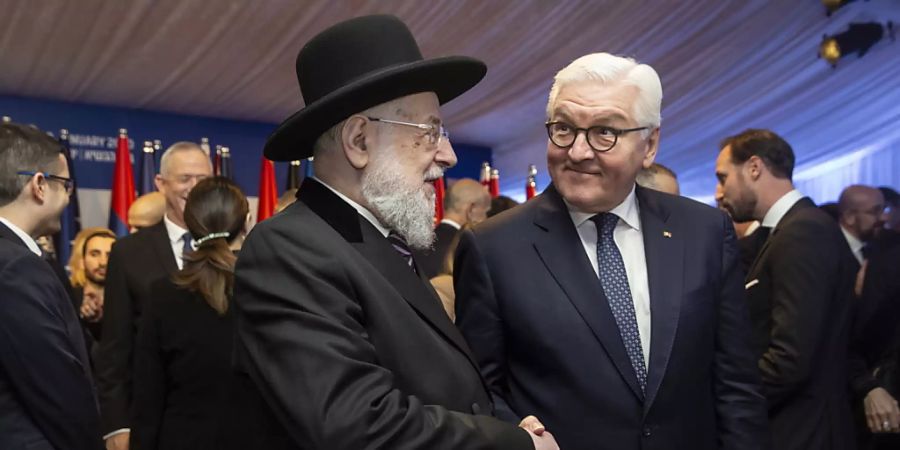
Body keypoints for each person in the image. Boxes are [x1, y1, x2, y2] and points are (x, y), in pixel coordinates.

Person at [227, 15, 555, 450]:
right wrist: (513, 445)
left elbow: (445, 388)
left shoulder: (380, 241)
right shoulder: (289, 250)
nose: (448, 155)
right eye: (430, 132)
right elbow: (355, 424)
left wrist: (512, 425)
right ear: (359, 141)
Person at [454, 52, 768, 450]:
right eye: (564, 129)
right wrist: (518, 435)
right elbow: (478, 390)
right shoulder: (493, 247)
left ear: (649, 144)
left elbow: (736, 384)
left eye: (605, 132)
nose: (579, 151)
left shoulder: (703, 232)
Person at [715, 128, 858, 449]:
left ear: (754, 167)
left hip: (804, 431)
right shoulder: (789, 231)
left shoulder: (802, 231)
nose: (719, 192)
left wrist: (729, 406)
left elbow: (791, 358)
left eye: (723, 178)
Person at [95, 142, 212, 450]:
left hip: (221, 421)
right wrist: (116, 424)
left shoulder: (232, 250)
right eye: (185, 178)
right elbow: (115, 347)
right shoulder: (128, 252)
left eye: (203, 179)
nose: (195, 187)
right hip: (151, 423)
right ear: (161, 183)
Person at [0, 122, 102, 450]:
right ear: (40, 185)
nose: (69, 196)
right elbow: (57, 392)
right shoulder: (16, 268)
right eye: (65, 184)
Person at [132, 177, 248, 450]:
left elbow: (148, 397)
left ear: (191, 225)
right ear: (246, 222)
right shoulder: (270, 288)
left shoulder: (163, 293)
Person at [414, 177, 491, 278]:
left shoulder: (415, 245)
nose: (487, 218)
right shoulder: (471, 249)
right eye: (485, 212)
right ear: (471, 209)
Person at [70, 228, 117, 340]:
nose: (103, 262)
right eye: (94, 254)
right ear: (82, 261)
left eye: (110, 255)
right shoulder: (68, 298)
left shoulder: (129, 300)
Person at [837, 185, 887, 264]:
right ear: (849, 217)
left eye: (884, 210)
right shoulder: (829, 250)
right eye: (875, 211)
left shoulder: (880, 247)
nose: (884, 218)